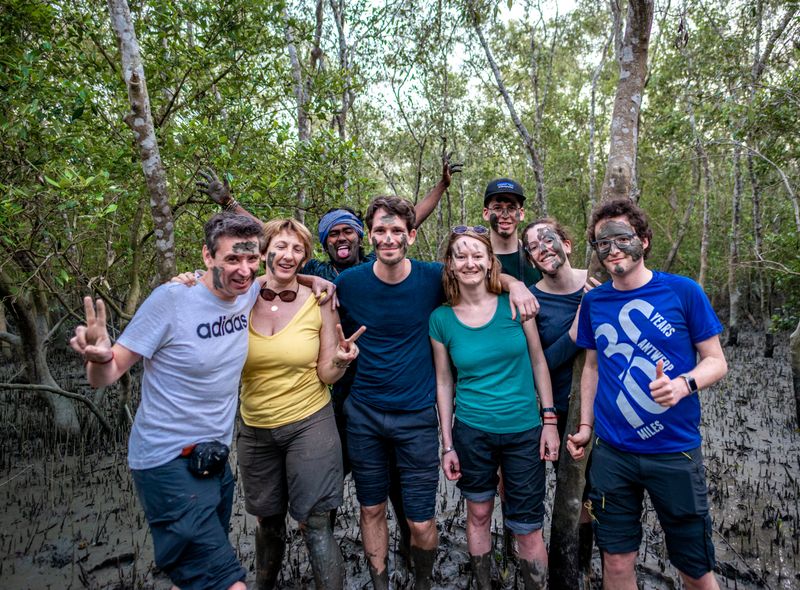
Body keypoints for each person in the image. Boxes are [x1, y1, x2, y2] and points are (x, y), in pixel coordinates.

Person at [198, 155, 463, 561]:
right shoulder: (321, 271)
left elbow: (409, 224)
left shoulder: (376, 263)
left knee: (397, 488)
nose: (342, 238)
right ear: (323, 244)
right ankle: (325, 544)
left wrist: (441, 187)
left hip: (385, 395)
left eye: (348, 232)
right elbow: (276, 253)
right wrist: (230, 204)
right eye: (333, 234)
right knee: (328, 488)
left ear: (363, 237)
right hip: (335, 400)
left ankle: (408, 553)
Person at [334, 196, 538, 590]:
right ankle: (380, 583)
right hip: (364, 414)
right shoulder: (349, 283)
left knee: (421, 520)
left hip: (416, 417)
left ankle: (422, 582)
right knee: (371, 508)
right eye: (380, 230)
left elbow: (477, 274)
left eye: (396, 231)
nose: (388, 238)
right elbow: (300, 282)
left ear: (411, 235)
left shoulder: (432, 279)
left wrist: (514, 283)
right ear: (369, 235)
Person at [69, 212, 265, 590]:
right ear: (208, 257)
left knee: (194, 576)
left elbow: (292, 258)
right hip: (166, 461)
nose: (244, 270)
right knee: (227, 582)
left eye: (251, 259)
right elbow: (107, 375)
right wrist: (97, 357)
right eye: (232, 259)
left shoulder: (249, 291)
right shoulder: (173, 300)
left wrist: (319, 281)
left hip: (214, 457)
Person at [567, 199, 728, 590]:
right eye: (602, 243)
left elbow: (716, 361)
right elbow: (591, 366)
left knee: (695, 568)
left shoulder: (683, 292)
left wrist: (683, 384)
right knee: (617, 562)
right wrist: (586, 426)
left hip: (675, 452)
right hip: (613, 454)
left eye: (622, 238)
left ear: (644, 241)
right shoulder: (595, 300)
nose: (613, 248)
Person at [236, 218, 364, 590]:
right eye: (279, 246)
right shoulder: (240, 298)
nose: (287, 255)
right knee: (267, 520)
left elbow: (326, 373)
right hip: (254, 427)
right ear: (264, 252)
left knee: (316, 521)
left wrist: (341, 360)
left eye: (297, 249)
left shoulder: (320, 300)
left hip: (310, 422)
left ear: (306, 257)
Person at [430, 226, 560, 589]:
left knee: (528, 527)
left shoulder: (516, 305)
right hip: (472, 431)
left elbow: (538, 362)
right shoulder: (440, 319)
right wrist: (448, 444)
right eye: (461, 256)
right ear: (451, 266)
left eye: (477, 255)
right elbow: (444, 381)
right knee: (479, 513)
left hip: (523, 430)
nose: (469, 262)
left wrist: (549, 420)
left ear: (490, 262)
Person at [522, 217, 597, 570]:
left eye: (548, 240)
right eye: (534, 248)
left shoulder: (600, 279)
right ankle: (575, 569)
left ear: (566, 244)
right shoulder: (533, 300)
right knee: (574, 495)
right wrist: (580, 322)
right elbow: (542, 363)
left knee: (607, 496)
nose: (543, 249)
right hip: (564, 411)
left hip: (608, 408)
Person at [482, 178, 541, 286]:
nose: (505, 215)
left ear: (521, 213)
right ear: (486, 213)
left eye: (511, 208)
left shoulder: (536, 254)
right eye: (497, 208)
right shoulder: (476, 258)